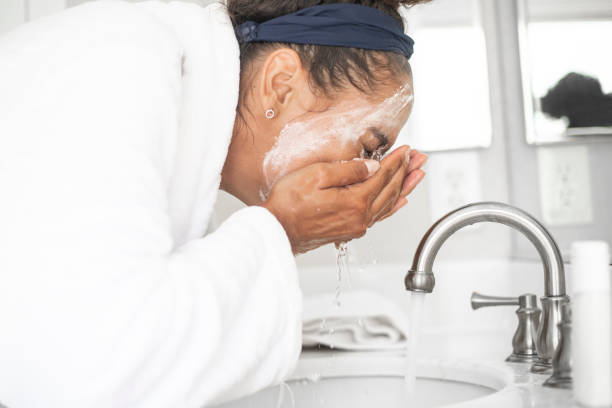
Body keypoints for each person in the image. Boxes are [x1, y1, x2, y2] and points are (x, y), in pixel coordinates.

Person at [0, 0, 428, 406]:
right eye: (370, 147)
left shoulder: (171, 105)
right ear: (280, 86)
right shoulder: (119, 64)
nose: (369, 172)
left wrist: (286, 233)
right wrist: (284, 229)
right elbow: (94, 369)